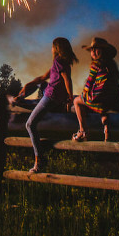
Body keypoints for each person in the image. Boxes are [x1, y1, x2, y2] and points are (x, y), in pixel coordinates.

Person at [16, 37, 78, 173]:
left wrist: (69, 98)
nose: (50, 49)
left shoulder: (58, 61)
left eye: (52, 46)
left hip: (51, 97)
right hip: (51, 93)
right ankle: (20, 98)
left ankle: (39, 160)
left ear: (56, 48)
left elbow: (68, 80)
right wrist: (27, 86)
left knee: (30, 124)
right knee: (38, 83)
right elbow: (42, 78)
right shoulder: (61, 63)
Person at [72, 37, 119, 142]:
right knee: (103, 107)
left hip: (100, 99)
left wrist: (84, 94)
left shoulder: (96, 64)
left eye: (96, 49)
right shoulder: (111, 64)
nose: (93, 51)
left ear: (103, 50)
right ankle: (107, 131)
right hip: (113, 99)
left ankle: (82, 131)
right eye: (91, 50)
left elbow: (89, 83)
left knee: (76, 101)